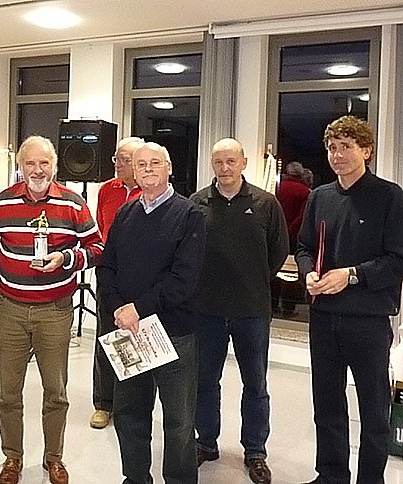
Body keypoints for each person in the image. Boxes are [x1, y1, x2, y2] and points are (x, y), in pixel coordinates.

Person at [0, 135, 103, 484]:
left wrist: (66, 258)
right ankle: (12, 458)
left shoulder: (73, 203)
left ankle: (54, 457)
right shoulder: (2, 203)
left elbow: (98, 248)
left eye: (44, 163)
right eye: (30, 163)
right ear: (20, 167)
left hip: (54, 310)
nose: (37, 170)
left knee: (56, 392)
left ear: (54, 166)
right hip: (10, 310)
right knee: (8, 393)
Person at [295, 115, 403, 484]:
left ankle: (371, 479)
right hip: (324, 318)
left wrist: (352, 275)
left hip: (368, 320)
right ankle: (331, 475)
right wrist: (308, 273)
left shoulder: (390, 196)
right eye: (332, 148)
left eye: (346, 147)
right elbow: (304, 247)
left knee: (373, 410)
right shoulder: (319, 197)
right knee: (327, 405)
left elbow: (397, 261)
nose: (337, 155)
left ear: (366, 150)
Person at [97, 141, 206, 484]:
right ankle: (135, 477)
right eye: (141, 164)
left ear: (169, 168)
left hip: (172, 333)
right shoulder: (125, 214)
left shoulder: (189, 214)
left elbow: (184, 279)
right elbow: (107, 266)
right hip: (128, 332)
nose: (147, 169)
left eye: (155, 163)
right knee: (129, 413)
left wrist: (137, 308)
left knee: (179, 421)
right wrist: (117, 308)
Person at [190, 138, 288, 484]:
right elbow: (189, 251)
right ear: (212, 164)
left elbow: (279, 251)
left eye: (231, 161)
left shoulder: (266, 204)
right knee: (205, 382)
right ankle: (205, 442)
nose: (225, 168)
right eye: (219, 162)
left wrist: (253, 279)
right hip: (207, 311)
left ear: (243, 162)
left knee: (255, 384)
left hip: (252, 310)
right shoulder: (197, 203)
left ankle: (255, 451)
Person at [90, 136, 144, 430]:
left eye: (124, 160)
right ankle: (104, 403)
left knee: (136, 339)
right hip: (109, 275)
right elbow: (101, 230)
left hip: (139, 278)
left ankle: (130, 405)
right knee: (105, 337)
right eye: (116, 159)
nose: (117, 165)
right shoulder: (106, 190)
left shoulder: (148, 192)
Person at [276, 161, 311, 253]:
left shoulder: (276, 187)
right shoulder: (305, 191)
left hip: (276, 232)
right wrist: (290, 231)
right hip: (294, 235)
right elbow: (302, 217)